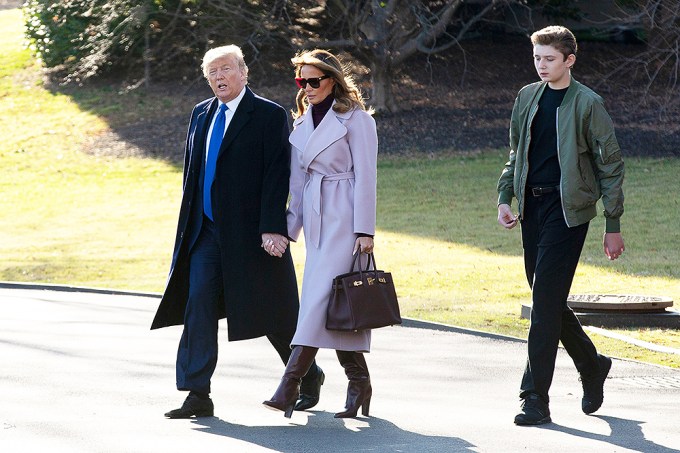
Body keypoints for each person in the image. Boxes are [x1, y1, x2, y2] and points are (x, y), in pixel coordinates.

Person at [150, 45, 323, 418]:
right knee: (199, 305)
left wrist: (273, 228)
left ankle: (307, 375)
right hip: (205, 233)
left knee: (270, 312)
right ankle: (197, 393)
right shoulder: (200, 114)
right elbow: (191, 176)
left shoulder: (267, 115)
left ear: (243, 72)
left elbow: (278, 175)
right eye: (211, 72)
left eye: (225, 69)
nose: (218, 77)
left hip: (253, 234)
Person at [497, 26, 625, 426]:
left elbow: (611, 165)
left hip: (569, 212)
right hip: (532, 209)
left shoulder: (588, 103)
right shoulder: (527, 97)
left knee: (543, 304)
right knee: (547, 299)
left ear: (569, 59)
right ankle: (591, 364)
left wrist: (613, 223)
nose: (541, 65)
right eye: (537, 58)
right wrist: (505, 197)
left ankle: (534, 398)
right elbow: (516, 152)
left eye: (549, 59)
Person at [262, 49, 378, 418]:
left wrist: (365, 230)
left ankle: (289, 383)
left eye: (315, 80)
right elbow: (298, 184)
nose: (308, 88)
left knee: (315, 299)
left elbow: (366, 177)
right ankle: (358, 383)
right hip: (314, 218)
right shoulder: (300, 124)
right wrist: (288, 230)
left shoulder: (356, 120)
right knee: (333, 303)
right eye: (302, 81)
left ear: (332, 80)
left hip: (345, 215)